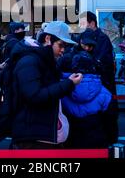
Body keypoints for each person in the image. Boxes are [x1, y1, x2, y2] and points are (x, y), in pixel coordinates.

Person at [10, 21, 83, 149]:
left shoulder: (45, 62)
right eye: (61, 45)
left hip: (41, 134)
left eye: (65, 46)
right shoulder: (30, 61)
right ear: (48, 39)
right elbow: (34, 96)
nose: (63, 50)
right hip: (32, 138)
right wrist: (68, 84)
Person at [79, 11, 117, 145]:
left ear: (92, 23)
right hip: (94, 82)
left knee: (107, 113)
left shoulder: (102, 39)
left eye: (84, 23)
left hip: (103, 81)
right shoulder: (89, 37)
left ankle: (110, 141)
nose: (81, 26)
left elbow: (101, 61)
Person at [61, 48, 112, 148]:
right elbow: (110, 119)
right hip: (96, 138)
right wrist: (110, 139)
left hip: (70, 138)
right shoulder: (104, 92)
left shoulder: (62, 89)